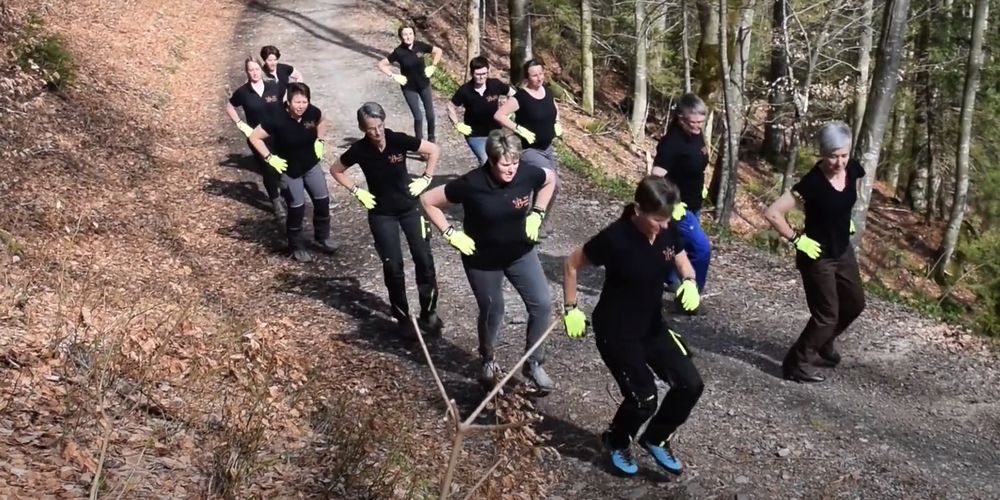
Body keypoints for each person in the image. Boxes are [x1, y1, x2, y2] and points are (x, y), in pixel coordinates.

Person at [562, 175, 704, 476]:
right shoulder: (615, 238)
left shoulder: (667, 226)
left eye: (667, 219)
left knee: (691, 384)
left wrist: (690, 281)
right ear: (639, 210)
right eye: (657, 220)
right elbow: (571, 264)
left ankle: (656, 437)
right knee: (644, 399)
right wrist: (571, 308)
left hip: (652, 325)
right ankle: (616, 440)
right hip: (617, 332)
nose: (664, 226)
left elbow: (680, 257)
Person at [420, 129, 557, 393]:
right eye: (505, 164)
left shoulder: (527, 173)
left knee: (541, 304)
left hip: (520, 252)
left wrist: (537, 213)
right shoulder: (472, 183)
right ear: (491, 161)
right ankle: (488, 360)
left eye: (515, 162)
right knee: (494, 310)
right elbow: (428, 200)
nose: (512, 169)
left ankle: (534, 363)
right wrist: (451, 233)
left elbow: (550, 180)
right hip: (483, 259)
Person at [763, 121, 867, 384]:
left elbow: (849, 196)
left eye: (843, 155)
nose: (839, 162)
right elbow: (773, 213)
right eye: (833, 156)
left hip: (842, 249)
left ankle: (822, 344)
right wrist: (798, 240)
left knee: (854, 303)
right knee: (827, 314)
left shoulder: (852, 170)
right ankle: (796, 362)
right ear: (822, 153)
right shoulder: (813, 183)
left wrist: (845, 219)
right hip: (817, 254)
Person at [329, 102, 444, 338]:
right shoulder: (359, 150)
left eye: (380, 126)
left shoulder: (397, 140)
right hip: (382, 213)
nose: (377, 132)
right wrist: (357, 191)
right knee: (393, 266)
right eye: (371, 129)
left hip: (410, 208)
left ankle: (429, 311)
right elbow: (336, 170)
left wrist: (426, 178)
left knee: (423, 258)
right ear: (363, 128)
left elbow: (433, 150)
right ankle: (402, 317)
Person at [248, 82, 339, 263]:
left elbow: (322, 121)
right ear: (288, 102)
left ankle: (323, 237)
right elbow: (254, 137)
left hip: (311, 165)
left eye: (304, 102)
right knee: (297, 208)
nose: (301, 106)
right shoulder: (276, 117)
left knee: (322, 202)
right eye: (297, 102)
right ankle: (296, 245)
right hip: (289, 170)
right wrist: (269, 157)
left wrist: (319, 140)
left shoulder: (311, 112)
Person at [649, 93, 711, 307]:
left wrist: (701, 187)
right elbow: (655, 178)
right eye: (693, 123)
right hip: (677, 207)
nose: (697, 127)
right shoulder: (672, 143)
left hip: (694, 203)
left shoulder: (697, 135)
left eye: (701, 122)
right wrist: (670, 203)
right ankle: (690, 297)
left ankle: (670, 280)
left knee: (678, 245)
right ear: (681, 118)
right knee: (701, 249)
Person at [494, 59, 563, 239]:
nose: (539, 78)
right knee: (551, 181)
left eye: (541, 74)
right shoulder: (521, 97)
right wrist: (518, 129)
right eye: (534, 75)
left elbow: (554, 108)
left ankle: (539, 222)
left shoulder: (546, 91)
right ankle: (529, 222)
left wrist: (556, 122)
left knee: (552, 187)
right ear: (527, 77)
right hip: (529, 150)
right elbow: (499, 115)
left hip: (547, 147)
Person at [225, 56, 288, 218]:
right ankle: (276, 202)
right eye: (250, 70)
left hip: (279, 134)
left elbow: (288, 98)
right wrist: (240, 124)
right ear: (246, 72)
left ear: (261, 69)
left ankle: (285, 193)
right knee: (268, 168)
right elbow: (230, 106)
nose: (254, 73)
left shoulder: (274, 86)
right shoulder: (243, 92)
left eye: (256, 69)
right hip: (257, 138)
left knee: (282, 165)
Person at [377, 26, 443, 143]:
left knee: (430, 114)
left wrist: (433, 66)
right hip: (409, 87)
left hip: (424, 84)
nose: (408, 37)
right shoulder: (399, 52)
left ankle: (431, 139)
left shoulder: (420, 46)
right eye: (405, 34)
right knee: (418, 117)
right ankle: (419, 143)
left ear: (414, 34)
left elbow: (438, 51)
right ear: (401, 37)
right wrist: (394, 76)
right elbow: (381, 64)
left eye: (410, 34)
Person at [447, 56, 516, 166]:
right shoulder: (465, 90)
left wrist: (508, 112)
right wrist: (457, 124)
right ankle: (483, 181)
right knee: (485, 161)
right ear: (472, 73)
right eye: (478, 74)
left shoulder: (495, 85)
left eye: (484, 74)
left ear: (488, 71)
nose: (481, 77)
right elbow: (450, 106)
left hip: (496, 131)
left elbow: (513, 94)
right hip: (475, 135)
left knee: (501, 160)